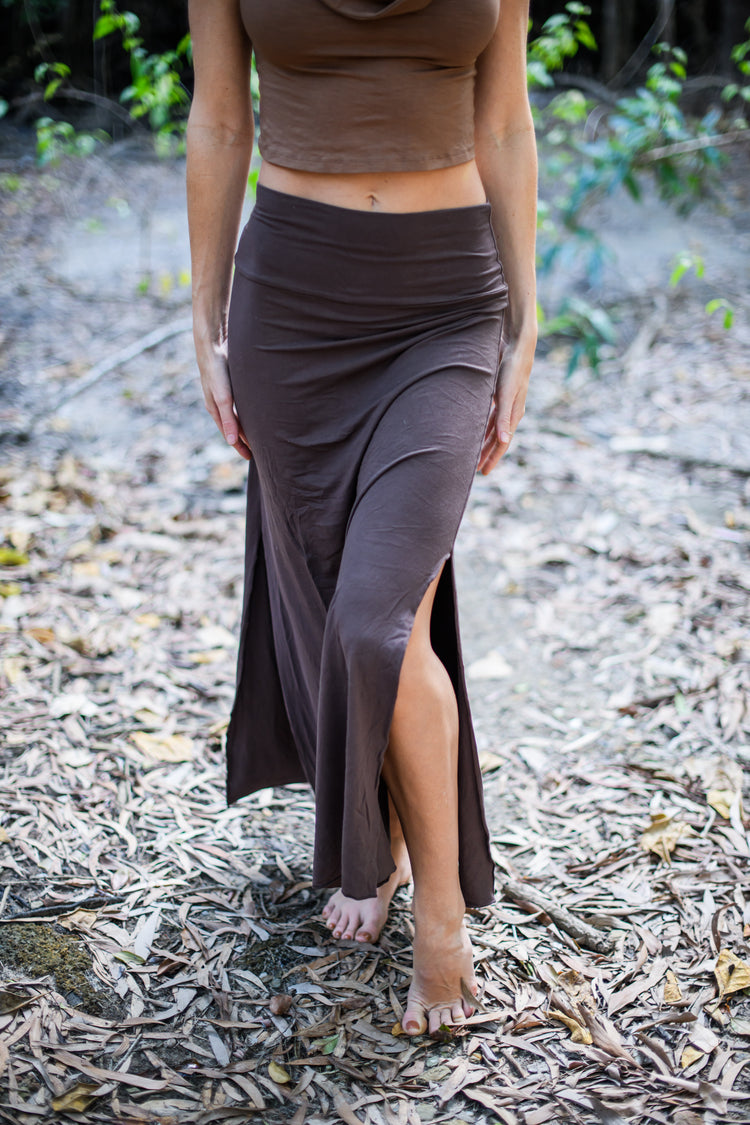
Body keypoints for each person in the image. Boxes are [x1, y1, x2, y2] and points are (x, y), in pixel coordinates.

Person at [186, 0, 537, 1038]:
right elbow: (218, 121)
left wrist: (530, 320)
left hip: (445, 304)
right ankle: (370, 839)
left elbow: (507, 123)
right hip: (292, 302)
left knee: (375, 619)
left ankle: (438, 915)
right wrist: (202, 316)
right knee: (335, 597)